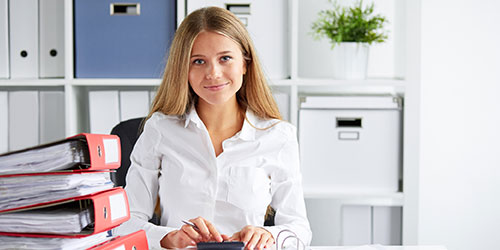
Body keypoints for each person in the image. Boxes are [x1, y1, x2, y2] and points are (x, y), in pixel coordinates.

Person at [113, 6, 312, 250]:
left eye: (225, 58)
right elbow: (124, 222)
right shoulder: (159, 130)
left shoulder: (279, 136)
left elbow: (299, 229)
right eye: (198, 61)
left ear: (245, 64)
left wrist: (267, 235)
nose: (213, 73)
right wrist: (167, 238)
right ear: (183, 70)